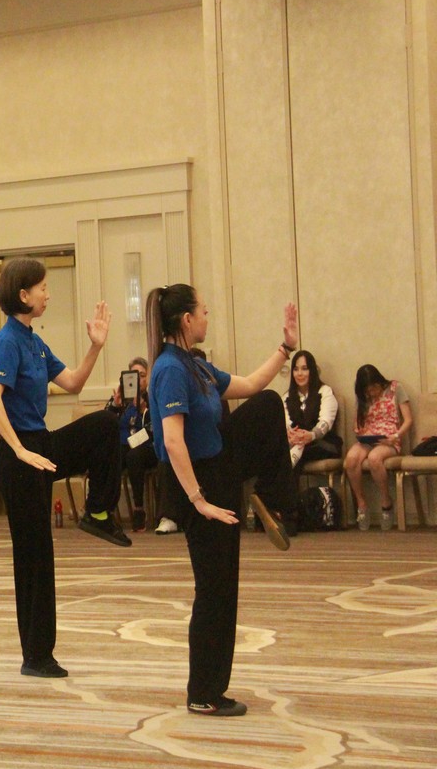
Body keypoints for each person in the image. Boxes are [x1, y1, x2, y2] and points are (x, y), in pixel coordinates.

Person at [146, 283, 298, 718]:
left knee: (267, 403)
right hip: (199, 484)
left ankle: (269, 497)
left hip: (218, 470)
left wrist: (285, 349)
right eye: (204, 312)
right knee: (213, 590)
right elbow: (172, 440)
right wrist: (198, 500)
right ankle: (201, 692)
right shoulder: (169, 369)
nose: (207, 318)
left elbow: (250, 384)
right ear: (186, 320)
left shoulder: (196, 364)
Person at [0, 257, 130, 681]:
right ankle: (36, 656)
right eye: (43, 287)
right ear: (23, 294)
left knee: (105, 425)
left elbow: (74, 383)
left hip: (40, 446)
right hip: (19, 457)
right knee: (35, 557)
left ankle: (98, 512)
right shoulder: (7, 341)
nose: (48, 294)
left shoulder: (34, 341)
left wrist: (96, 346)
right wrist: (19, 450)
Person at [344, 364, 411, 531]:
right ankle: (361, 504)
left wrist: (396, 436)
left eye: (374, 388)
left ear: (379, 381)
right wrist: (357, 429)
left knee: (375, 458)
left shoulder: (396, 388)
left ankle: (386, 502)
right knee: (350, 460)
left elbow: (408, 420)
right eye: (368, 390)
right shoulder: (362, 396)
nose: (372, 393)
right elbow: (357, 421)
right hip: (368, 437)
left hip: (389, 439)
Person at [106, 357, 157, 532]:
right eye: (134, 375)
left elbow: (154, 430)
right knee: (112, 455)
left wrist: (143, 410)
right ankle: (104, 509)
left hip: (146, 448)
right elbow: (104, 424)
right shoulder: (120, 399)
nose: (139, 380)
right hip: (123, 447)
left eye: (142, 375)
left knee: (133, 455)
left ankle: (138, 509)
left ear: (147, 378)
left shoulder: (152, 398)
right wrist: (115, 405)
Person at [283, 350, 341, 471]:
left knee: (294, 451)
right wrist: (291, 435)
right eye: (296, 369)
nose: (300, 373)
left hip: (324, 443)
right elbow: (286, 424)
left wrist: (310, 435)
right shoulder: (287, 397)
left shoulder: (325, 391)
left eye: (304, 369)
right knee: (280, 450)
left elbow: (326, 422)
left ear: (312, 370)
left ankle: (285, 478)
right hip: (297, 443)